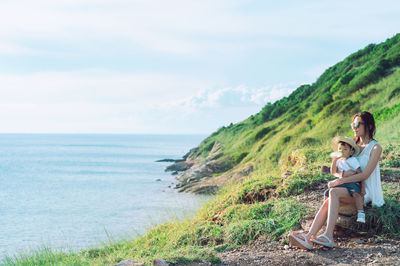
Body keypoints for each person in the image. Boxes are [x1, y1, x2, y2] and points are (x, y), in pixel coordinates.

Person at [288, 111, 385, 249]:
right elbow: (338, 169)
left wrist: (338, 182)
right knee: (329, 199)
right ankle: (309, 237)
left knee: (333, 192)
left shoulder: (375, 148)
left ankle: (328, 236)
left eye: (358, 124)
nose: (354, 127)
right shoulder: (351, 146)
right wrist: (341, 175)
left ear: (369, 126)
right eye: (353, 124)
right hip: (348, 187)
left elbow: (364, 175)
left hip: (365, 191)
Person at [327, 136, 366, 223]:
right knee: (327, 193)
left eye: (345, 149)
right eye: (340, 149)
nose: (341, 151)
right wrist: (334, 161)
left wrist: (363, 187)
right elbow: (333, 172)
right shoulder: (338, 161)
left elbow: (361, 174)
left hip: (352, 182)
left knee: (356, 194)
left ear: (351, 152)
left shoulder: (352, 160)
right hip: (342, 183)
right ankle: (330, 213)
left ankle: (361, 213)